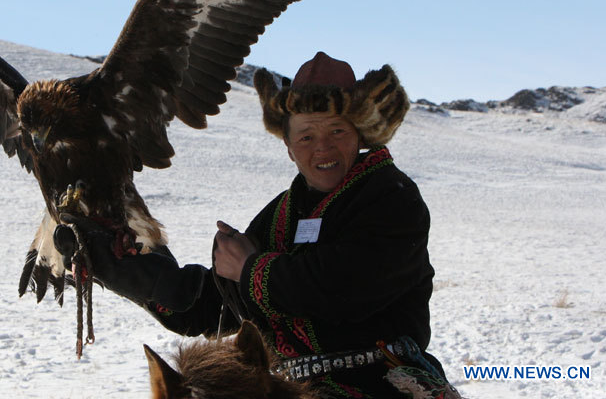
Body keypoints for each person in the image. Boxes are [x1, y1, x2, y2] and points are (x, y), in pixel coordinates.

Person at [57, 52, 455, 398]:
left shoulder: (391, 197)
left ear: (360, 134)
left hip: (382, 383)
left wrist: (250, 268)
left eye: (337, 131)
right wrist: (143, 277)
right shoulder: (279, 215)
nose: (323, 148)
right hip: (292, 387)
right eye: (306, 136)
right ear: (287, 146)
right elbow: (217, 308)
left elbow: (341, 288)